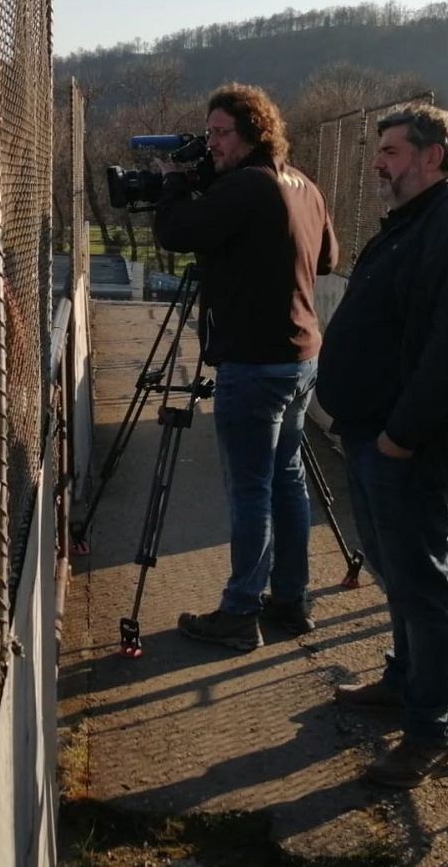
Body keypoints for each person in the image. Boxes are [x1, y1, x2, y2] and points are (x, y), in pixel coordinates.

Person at [315, 103, 448, 788]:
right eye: (378, 149)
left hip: (409, 445)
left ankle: (434, 731)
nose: (378, 161)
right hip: (374, 434)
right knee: (394, 570)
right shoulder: (416, 221)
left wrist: (402, 436)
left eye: (393, 150)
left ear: (434, 156)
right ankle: (404, 682)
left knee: (423, 583)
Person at [154, 83, 338, 652]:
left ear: (254, 132)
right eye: (209, 133)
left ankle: (239, 612)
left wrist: (174, 188)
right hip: (300, 358)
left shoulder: (245, 186)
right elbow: (328, 257)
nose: (212, 145)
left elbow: (174, 232)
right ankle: (291, 598)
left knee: (250, 489)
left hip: (254, 363)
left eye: (221, 133)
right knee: (285, 479)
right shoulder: (301, 183)